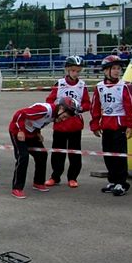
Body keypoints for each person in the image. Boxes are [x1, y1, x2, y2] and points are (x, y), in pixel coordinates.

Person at [9, 97, 79, 199]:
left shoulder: (54, 115)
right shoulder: (44, 110)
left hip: (31, 134)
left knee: (42, 155)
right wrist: (20, 130)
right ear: (61, 108)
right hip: (17, 131)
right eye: (64, 116)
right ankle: (17, 188)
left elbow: (38, 122)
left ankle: (38, 182)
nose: (63, 120)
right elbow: (19, 114)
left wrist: (38, 133)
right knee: (23, 157)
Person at [89, 55, 132, 196]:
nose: (117, 71)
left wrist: (130, 125)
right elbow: (95, 107)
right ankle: (113, 180)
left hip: (119, 125)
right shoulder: (100, 87)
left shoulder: (124, 86)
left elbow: (130, 106)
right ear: (105, 71)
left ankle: (121, 183)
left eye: (118, 68)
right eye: (114, 68)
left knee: (119, 155)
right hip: (106, 125)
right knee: (108, 154)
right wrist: (95, 125)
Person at [44, 56, 91, 188]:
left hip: (75, 125)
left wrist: (80, 108)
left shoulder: (82, 85)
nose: (76, 73)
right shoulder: (59, 84)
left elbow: (87, 103)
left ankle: (73, 177)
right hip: (60, 123)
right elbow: (49, 100)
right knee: (57, 152)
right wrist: (57, 110)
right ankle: (55, 176)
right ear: (67, 70)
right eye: (73, 70)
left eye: (78, 71)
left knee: (74, 152)